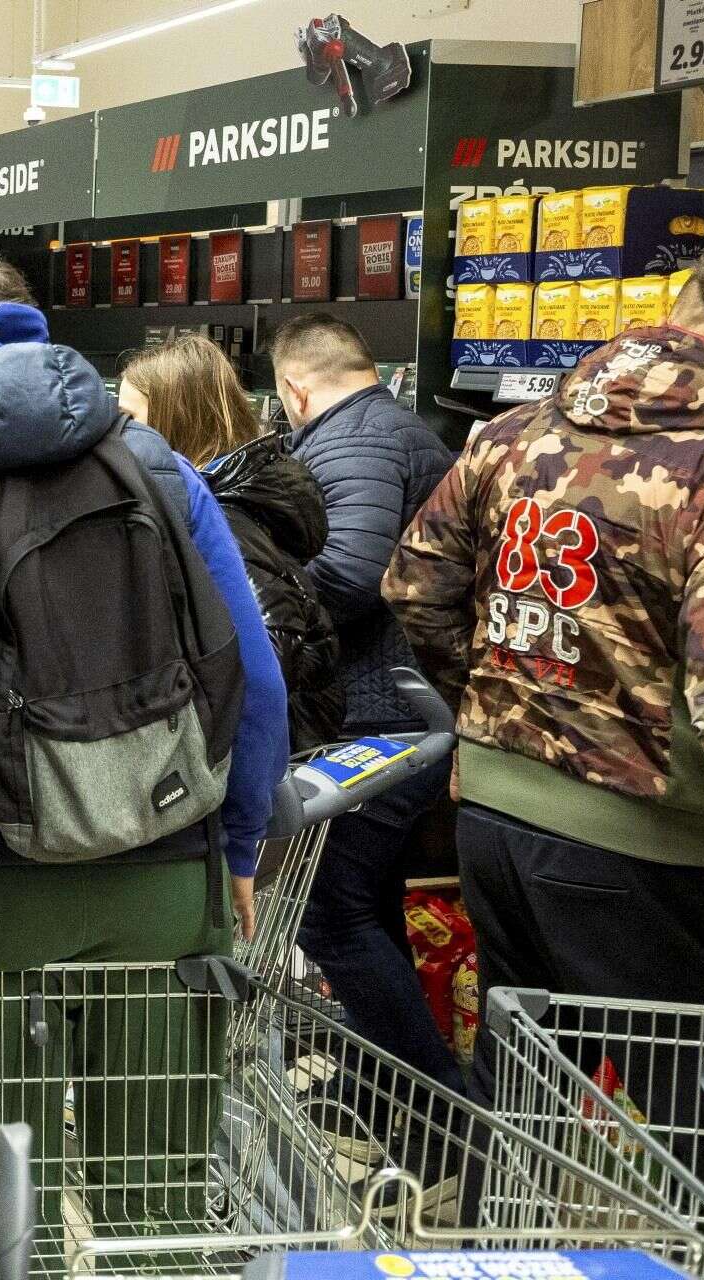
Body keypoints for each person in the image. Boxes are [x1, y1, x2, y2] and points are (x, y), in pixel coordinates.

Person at [0, 248, 288, 1242]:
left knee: (7, 1218)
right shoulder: (157, 463)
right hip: (167, 873)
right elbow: (253, 671)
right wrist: (242, 841)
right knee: (157, 1208)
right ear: (31, 328)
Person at [385, 252, 704, 1222]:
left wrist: (498, 719)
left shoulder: (516, 433)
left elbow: (414, 586)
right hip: (647, 843)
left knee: (521, 1093)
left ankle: (492, 1248)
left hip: (497, 820)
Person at [271, 313, 462, 1093]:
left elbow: (349, 574)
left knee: (330, 914)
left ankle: (443, 1116)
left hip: (386, 714)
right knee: (369, 902)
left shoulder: (352, 442)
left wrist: (255, 599)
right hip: (406, 708)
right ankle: (382, 1086)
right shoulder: (394, 428)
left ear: (294, 388)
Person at [121, 335, 342, 750]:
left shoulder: (223, 519)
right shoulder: (228, 499)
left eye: (130, 420)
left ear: (173, 422)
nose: (119, 436)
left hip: (266, 761)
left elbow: (263, 662)